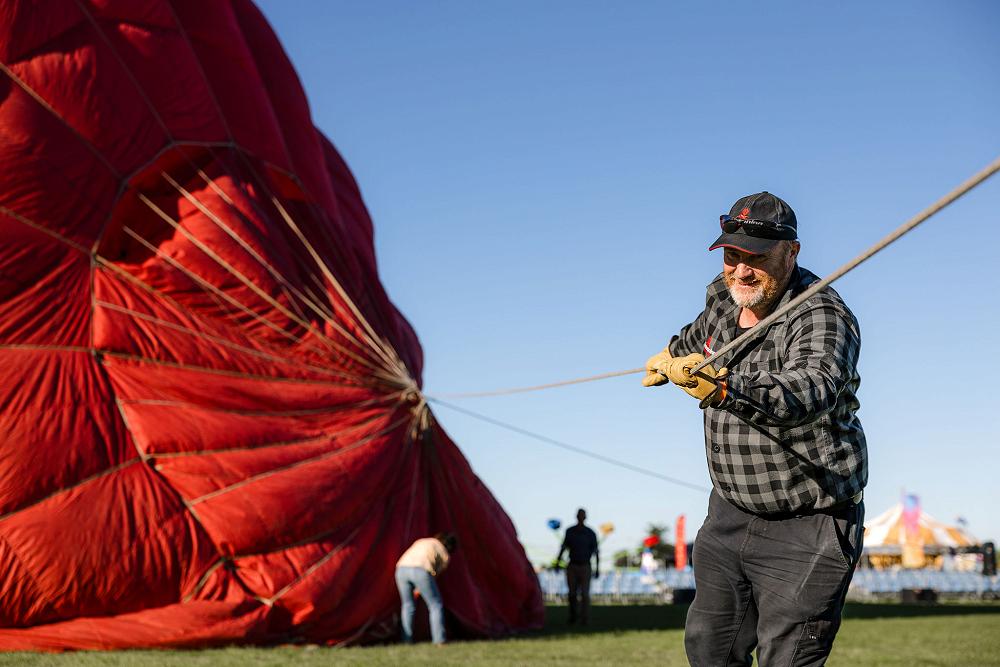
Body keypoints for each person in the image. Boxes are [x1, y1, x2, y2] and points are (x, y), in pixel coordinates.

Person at [642, 192, 867, 666]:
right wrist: (669, 355)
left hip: (809, 523)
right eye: (731, 255)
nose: (741, 271)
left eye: (757, 258)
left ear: (792, 252)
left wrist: (725, 388)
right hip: (728, 513)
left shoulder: (821, 313)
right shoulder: (723, 296)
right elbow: (699, 336)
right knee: (709, 650)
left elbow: (811, 388)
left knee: (788, 659)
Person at [395, 532, 457, 645]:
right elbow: (435, 574)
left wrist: (417, 588)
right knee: (435, 605)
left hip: (401, 569)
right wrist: (420, 588)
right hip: (421, 570)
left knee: (407, 606)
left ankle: (406, 641)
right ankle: (439, 640)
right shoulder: (444, 552)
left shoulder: (422, 541)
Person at [556, 508, 599, 625]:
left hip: (585, 566)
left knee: (585, 594)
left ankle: (585, 618)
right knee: (572, 594)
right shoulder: (570, 531)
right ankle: (573, 617)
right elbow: (564, 547)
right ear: (576, 516)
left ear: (585, 517)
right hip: (573, 566)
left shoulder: (590, 533)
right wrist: (557, 563)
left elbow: (596, 551)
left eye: (582, 515)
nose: (581, 517)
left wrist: (597, 568)